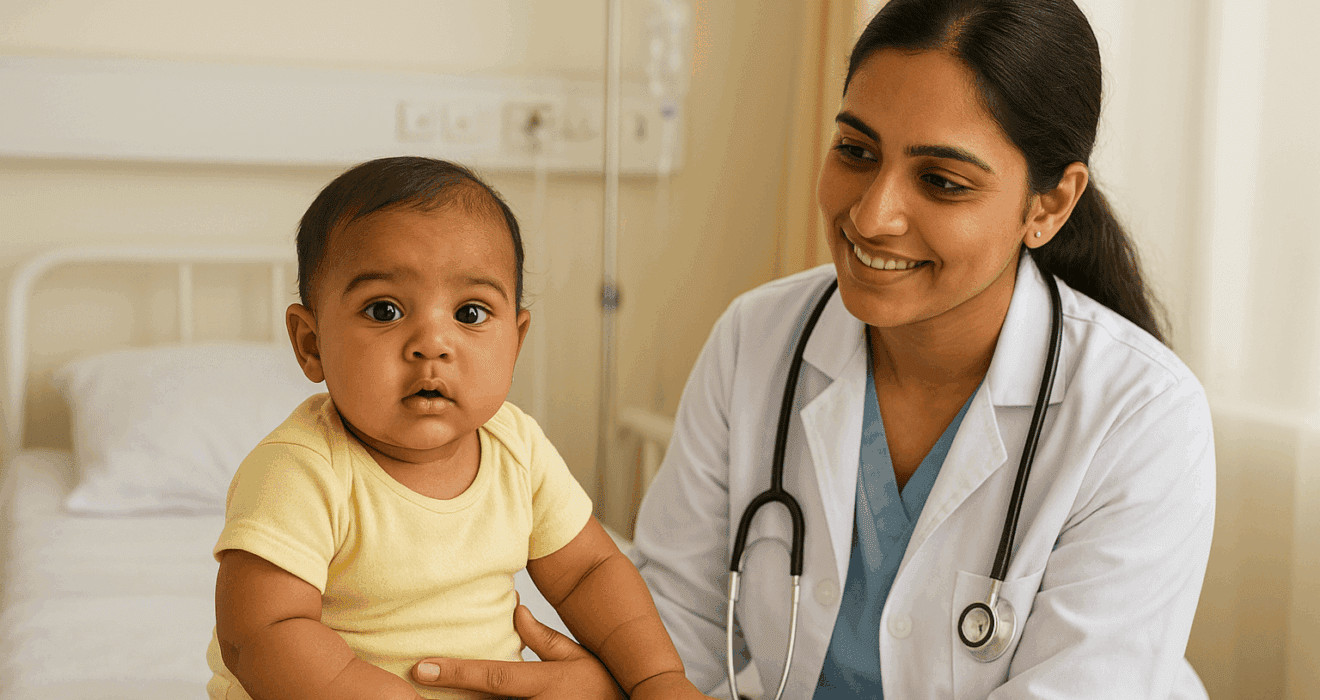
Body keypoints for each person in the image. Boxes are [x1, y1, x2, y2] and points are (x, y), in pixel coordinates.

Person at [410, 0, 1215, 698]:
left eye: (942, 182)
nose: (871, 216)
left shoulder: (1141, 416)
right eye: (856, 152)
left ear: (1049, 205)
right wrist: (624, 683)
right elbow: (681, 623)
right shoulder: (758, 339)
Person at [207, 156, 710, 700]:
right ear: (311, 345)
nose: (432, 343)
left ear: (515, 342)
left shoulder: (516, 448)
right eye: (384, 310)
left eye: (470, 313)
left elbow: (589, 570)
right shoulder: (299, 469)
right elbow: (260, 635)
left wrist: (657, 678)